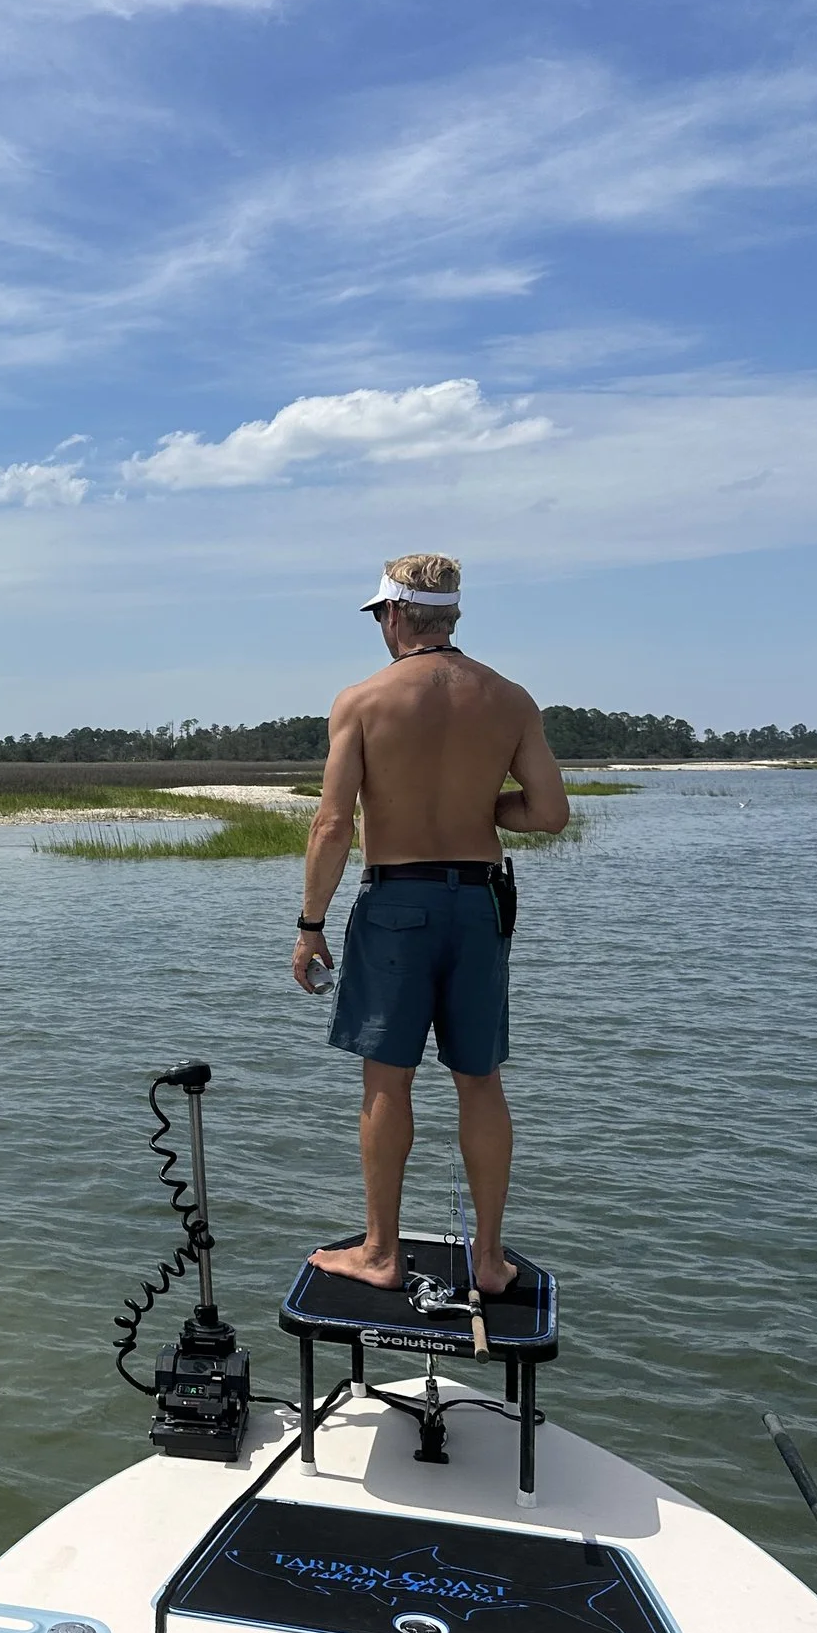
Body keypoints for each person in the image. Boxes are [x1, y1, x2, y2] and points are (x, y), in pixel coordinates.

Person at [289, 554, 568, 1295]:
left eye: (381, 614)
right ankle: (490, 1258)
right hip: (478, 902)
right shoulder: (510, 700)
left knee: (388, 1079)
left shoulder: (363, 700)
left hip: (397, 903)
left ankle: (381, 1250)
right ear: (451, 616)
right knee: (481, 1081)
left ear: (397, 615)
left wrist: (310, 923)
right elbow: (548, 812)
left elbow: (332, 823)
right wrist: (482, 808)